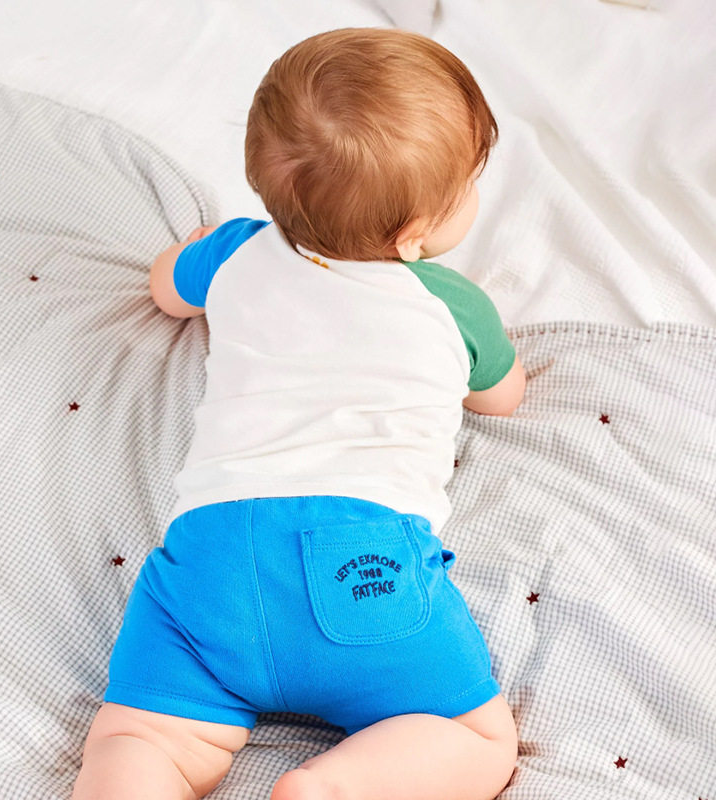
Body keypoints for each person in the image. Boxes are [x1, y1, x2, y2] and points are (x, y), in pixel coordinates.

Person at [73, 27, 525, 800]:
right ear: (413, 238)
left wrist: (199, 251)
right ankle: (332, 789)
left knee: (141, 736)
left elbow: (165, 290)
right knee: (478, 740)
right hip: (366, 569)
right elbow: (503, 396)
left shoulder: (233, 252)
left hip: (211, 562)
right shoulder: (453, 306)